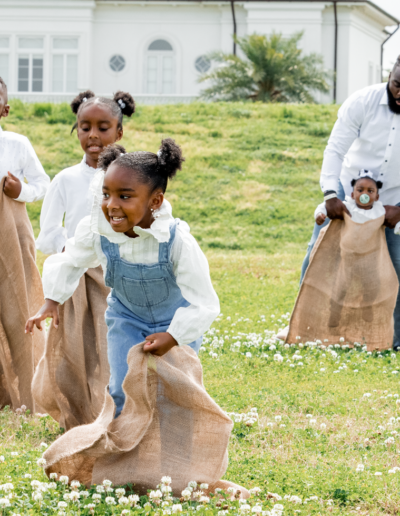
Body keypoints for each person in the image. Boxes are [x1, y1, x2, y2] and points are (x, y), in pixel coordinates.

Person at [26, 139, 220, 418]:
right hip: (126, 317)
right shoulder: (99, 231)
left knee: (178, 392)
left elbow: (204, 302)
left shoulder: (177, 241)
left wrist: (173, 335)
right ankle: (125, 452)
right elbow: (72, 259)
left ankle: (176, 454)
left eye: (124, 196)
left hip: (174, 322)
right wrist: (51, 300)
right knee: (120, 387)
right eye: (106, 194)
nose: (111, 205)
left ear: (155, 201)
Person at [32, 90, 135, 430]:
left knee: (114, 346)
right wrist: (70, 253)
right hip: (75, 274)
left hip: (119, 276)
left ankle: (116, 415)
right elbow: (48, 233)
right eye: (84, 127)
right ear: (76, 130)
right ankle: (77, 415)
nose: (93, 136)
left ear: (119, 131)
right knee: (76, 346)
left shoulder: (133, 175)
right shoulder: (65, 179)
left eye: (103, 128)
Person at [296, 57, 400, 349]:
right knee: (319, 256)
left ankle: (393, 338)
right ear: (389, 75)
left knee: (398, 265)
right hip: (346, 190)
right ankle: (305, 330)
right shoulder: (362, 101)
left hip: (394, 197)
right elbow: (336, 148)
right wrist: (331, 194)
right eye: (397, 85)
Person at [0, 76, 49, 411]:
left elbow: (43, 183)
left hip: (12, 236)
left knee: (18, 308)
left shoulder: (16, 144)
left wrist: (21, 193)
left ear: (4, 108)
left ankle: (29, 397)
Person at [314, 170, 393, 227]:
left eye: (370, 191)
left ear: (377, 197)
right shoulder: (348, 206)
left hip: (370, 246)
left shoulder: (379, 210)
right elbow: (324, 206)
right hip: (349, 245)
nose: (365, 194)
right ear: (352, 195)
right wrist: (320, 213)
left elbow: (395, 219)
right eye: (360, 190)